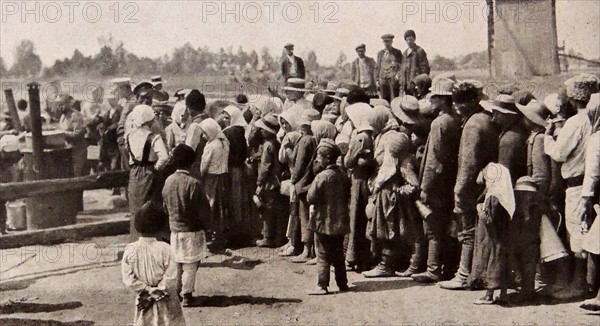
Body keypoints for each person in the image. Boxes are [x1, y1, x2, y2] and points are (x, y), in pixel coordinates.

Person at [439, 81, 499, 290]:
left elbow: (469, 162)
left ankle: (464, 274)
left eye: (461, 102)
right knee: (481, 232)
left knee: (468, 232)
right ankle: (477, 274)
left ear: (473, 101)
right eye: (455, 102)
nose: (456, 106)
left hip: (472, 187)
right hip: (486, 184)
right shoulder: (486, 118)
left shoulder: (473, 124)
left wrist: (460, 190)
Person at [544, 74, 599, 298]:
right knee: (591, 232)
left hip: (577, 184)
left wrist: (548, 137)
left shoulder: (576, 122)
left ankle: (579, 286)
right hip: (593, 183)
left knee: (576, 232)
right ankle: (589, 284)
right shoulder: (594, 120)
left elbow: (559, 153)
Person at [412, 78, 461, 283]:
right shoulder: (455, 119)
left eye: (435, 96)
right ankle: (447, 267)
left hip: (437, 183)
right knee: (446, 226)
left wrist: (425, 186)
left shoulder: (440, 123)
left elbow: (434, 158)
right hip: (449, 180)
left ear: (443, 99)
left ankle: (433, 269)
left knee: (432, 227)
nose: (431, 99)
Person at [362, 106, 411, 278]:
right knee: (382, 225)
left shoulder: (391, 138)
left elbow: (389, 167)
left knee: (388, 227)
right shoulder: (383, 134)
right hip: (382, 185)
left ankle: (386, 265)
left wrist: (377, 186)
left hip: (388, 186)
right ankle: (383, 262)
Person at [121, 201, 186, 325]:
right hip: (166, 299)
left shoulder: (130, 249)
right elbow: (172, 277)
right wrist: (158, 290)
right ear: (161, 225)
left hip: (144, 299)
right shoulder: (166, 249)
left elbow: (128, 279)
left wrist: (147, 290)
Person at [162, 144, 210, 307]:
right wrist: (207, 226)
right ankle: (187, 295)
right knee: (191, 264)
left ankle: (175, 292)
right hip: (192, 230)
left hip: (174, 230)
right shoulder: (193, 183)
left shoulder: (168, 181)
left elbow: (165, 206)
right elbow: (203, 209)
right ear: (191, 162)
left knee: (176, 262)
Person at [307, 139, 350, 295]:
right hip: (340, 221)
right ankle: (342, 283)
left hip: (323, 221)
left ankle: (322, 285)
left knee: (323, 254)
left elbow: (311, 197)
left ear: (327, 158)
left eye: (319, 156)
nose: (317, 159)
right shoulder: (343, 175)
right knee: (338, 254)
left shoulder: (322, 177)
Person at [127, 105, 169, 241]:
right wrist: (156, 168)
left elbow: (129, 155)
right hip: (150, 171)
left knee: (135, 207)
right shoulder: (153, 137)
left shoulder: (129, 135)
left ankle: (135, 239)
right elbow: (164, 157)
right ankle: (153, 239)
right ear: (149, 121)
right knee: (151, 205)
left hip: (134, 172)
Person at [343, 103, 375, 272]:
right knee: (363, 218)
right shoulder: (370, 135)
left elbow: (349, 161)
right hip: (365, 179)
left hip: (358, 179)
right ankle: (364, 257)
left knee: (355, 218)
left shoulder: (360, 137)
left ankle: (352, 257)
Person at [218, 105, 250, 244]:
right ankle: (240, 232)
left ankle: (234, 234)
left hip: (232, 170)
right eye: (224, 117)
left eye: (227, 118)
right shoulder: (240, 130)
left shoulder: (230, 133)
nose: (225, 120)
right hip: (239, 169)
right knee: (239, 201)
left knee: (233, 200)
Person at [198, 118, 230, 250]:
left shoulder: (211, 146)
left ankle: (213, 235)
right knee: (222, 206)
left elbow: (204, 165)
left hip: (212, 178)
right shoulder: (224, 142)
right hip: (223, 177)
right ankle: (221, 234)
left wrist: (201, 176)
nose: (203, 136)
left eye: (205, 133)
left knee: (211, 206)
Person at [254, 114, 284, 247]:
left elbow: (265, 167)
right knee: (276, 210)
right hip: (276, 180)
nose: (261, 131)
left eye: (263, 129)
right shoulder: (276, 143)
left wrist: (259, 183)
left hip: (269, 182)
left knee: (266, 210)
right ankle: (277, 237)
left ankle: (267, 237)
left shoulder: (267, 145)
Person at [56, 94, 87, 177]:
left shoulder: (76, 115)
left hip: (78, 151)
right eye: (58, 105)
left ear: (69, 104)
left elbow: (78, 134)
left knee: (77, 177)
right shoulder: (63, 116)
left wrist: (62, 134)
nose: (60, 107)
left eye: (62, 104)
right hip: (67, 151)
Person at [184, 89, 209, 180]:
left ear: (189, 108)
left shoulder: (195, 126)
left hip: (196, 167)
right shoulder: (208, 119)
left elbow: (188, 149)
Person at [376, 34, 403, 103]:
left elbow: (402, 66)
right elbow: (378, 66)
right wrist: (377, 79)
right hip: (383, 79)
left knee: (395, 99)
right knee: (384, 99)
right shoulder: (380, 53)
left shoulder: (397, 52)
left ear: (391, 41)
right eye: (385, 42)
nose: (386, 43)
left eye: (388, 41)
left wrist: (398, 75)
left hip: (393, 78)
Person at [402, 30, 430, 95]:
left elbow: (425, 68)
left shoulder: (419, 51)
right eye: (407, 40)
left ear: (414, 39)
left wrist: (420, 82)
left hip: (417, 84)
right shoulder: (405, 53)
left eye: (411, 39)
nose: (409, 42)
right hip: (408, 84)